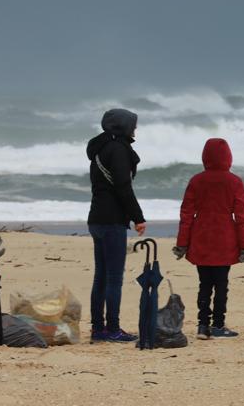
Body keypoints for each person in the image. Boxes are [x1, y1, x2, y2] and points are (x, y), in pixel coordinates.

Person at [173, 138, 244, 340]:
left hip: (201, 237)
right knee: (221, 284)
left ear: (205, 157)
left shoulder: (196, 181)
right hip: (225, 238)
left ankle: (202, 325)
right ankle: (218, 325)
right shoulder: (234, 181)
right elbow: (242, 217)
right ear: (228, 157)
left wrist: (182, 244)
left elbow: (186, 215)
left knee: (204, 284)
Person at [86, 108, 147, 342]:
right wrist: (138, 217)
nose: (135, 129)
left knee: (100, 276)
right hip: (112, 221)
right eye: (133, 125)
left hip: (96, 219)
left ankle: (98, 328)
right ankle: (112, 328)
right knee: (113, 278)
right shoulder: (119, 150)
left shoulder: (99, 148)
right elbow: (123, 186)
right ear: (123, 126)